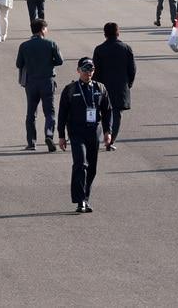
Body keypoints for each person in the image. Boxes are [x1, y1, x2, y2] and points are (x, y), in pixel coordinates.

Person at [56, 58, 113, 213]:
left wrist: (108, 132)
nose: (89, 73)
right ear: (78, 70)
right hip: (76, 132)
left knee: (92, 168)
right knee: (81, 164)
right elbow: (62, 114)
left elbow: (107, 111)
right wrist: (61, 135)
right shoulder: (70, 89)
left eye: (91, 70)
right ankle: (80, 200)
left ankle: (86, 198)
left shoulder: (100, 88)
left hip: (94, 132)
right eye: (85, 69)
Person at [17, 18, 63, 151]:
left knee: (31, 113)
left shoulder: (24, 46)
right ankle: (49, 134)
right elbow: (60, 61)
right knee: (49, 112)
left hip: (31, 82)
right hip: (47, 80)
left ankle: (31, 142)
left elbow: (19, 64)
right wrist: (48, 63)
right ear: (43, 30)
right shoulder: (51, 44)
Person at [91, 22, 136, 151]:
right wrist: (129, 84)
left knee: (102, 113)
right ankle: (110, 140)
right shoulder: (126, 48)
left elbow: (95, 70)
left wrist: (95, 85)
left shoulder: (99, 49)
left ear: (105, 33)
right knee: (116, 114)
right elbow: (132, 69)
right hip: (120, 86)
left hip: (103, 86)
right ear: (118, 32)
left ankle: (101, 135)